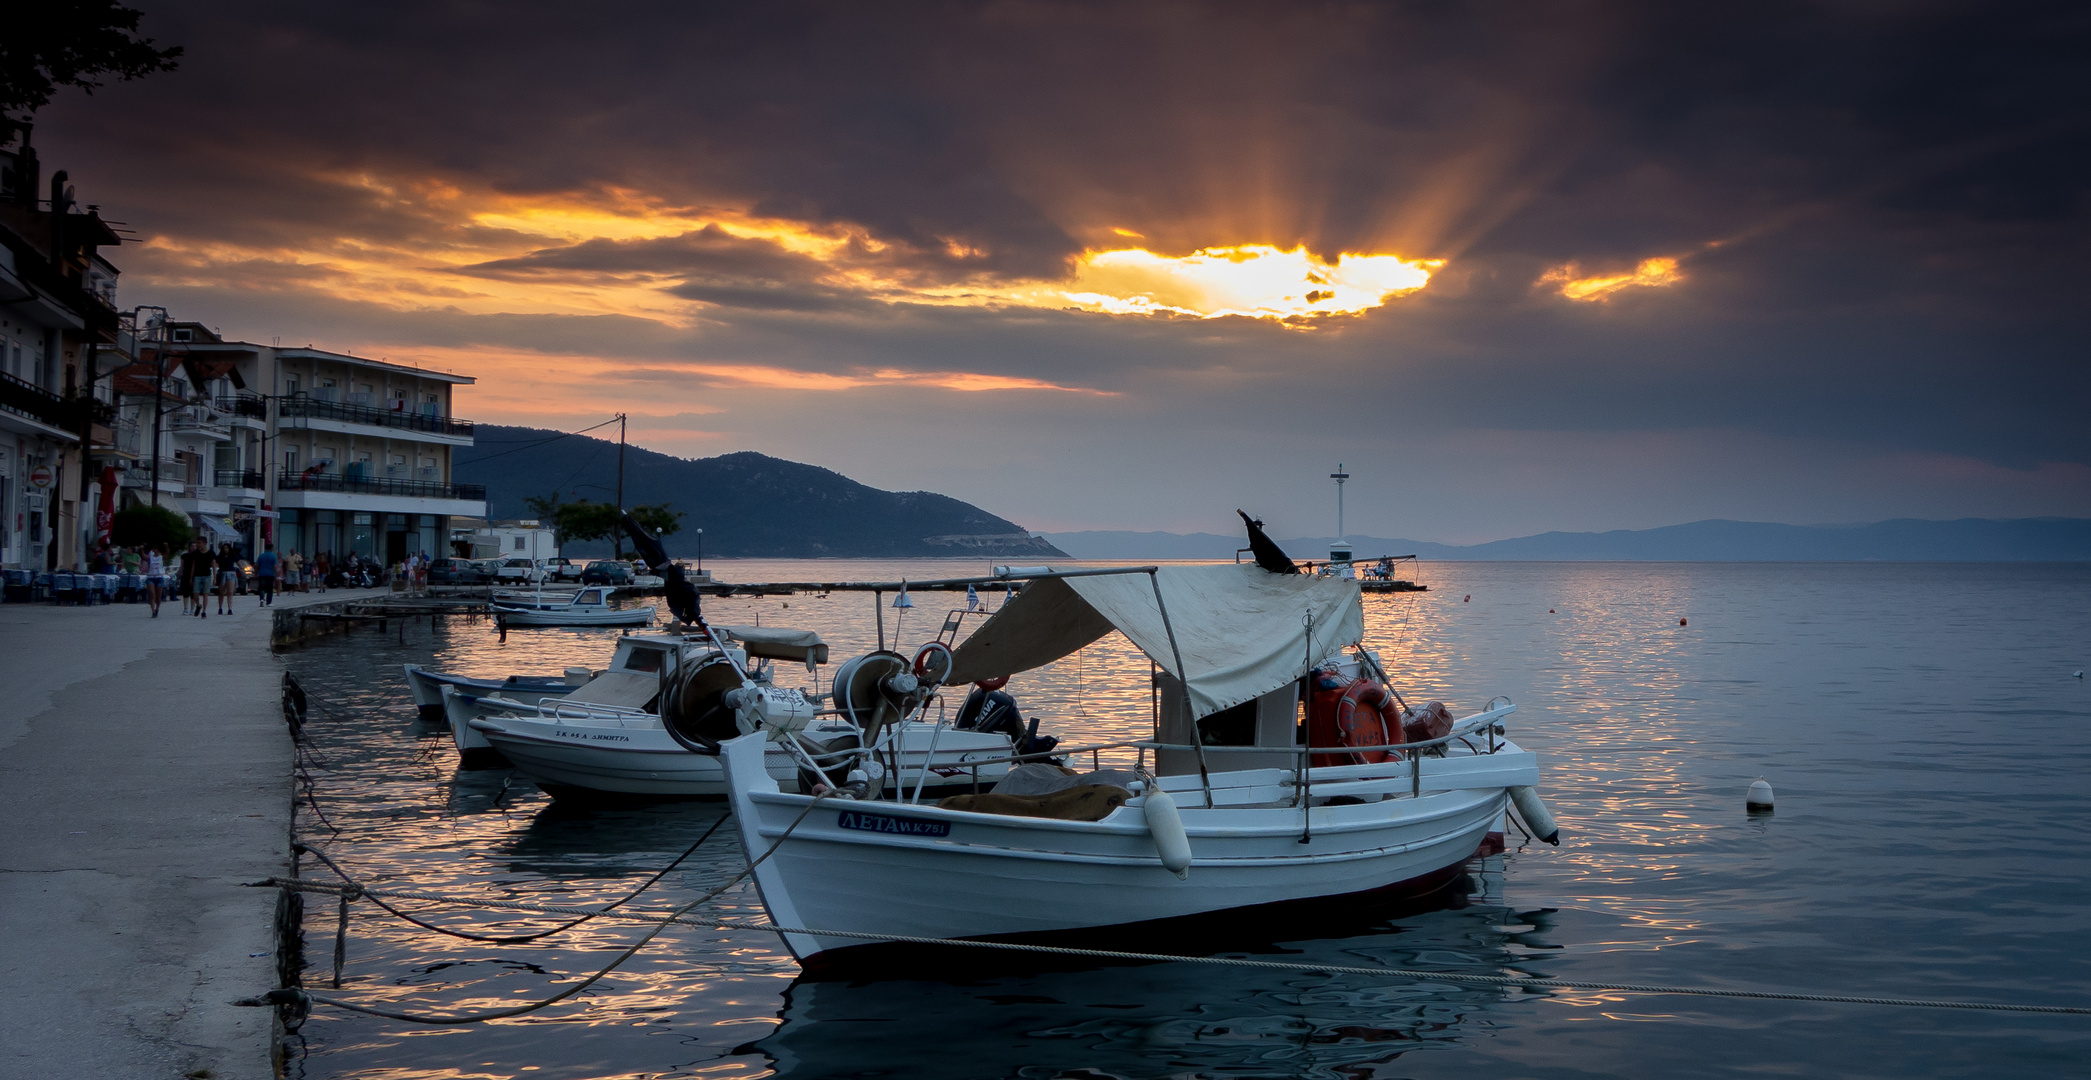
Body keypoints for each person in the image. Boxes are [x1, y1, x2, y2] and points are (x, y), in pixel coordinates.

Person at [215, 542, 238, 614]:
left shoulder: (232, 556)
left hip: (231, 573)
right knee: (221, 592)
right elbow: (215, 564)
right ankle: (220, 607)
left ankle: (230, 608)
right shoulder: (219, 557)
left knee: (230, 592)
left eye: (227, 548)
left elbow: (238, 563)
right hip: (222, 573)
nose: (226, 549)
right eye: (224, 548)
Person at [144, 544, 166, 617]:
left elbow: (167, 554)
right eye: (154, 549)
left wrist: (167, 546)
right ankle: (153, 610)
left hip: (159, 577)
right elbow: (144, 557)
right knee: (152, 594)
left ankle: (157, 608)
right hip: (151, 577)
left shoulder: (161, 557)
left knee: (158, 597)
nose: (155, 550)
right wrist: (141, 550)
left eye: (157, 549)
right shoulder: (150, 557)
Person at [254, 542, 278, 607]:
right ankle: (269, 602)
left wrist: (256, 573)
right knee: (270, 588)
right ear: (271, 548)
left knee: (262, 587)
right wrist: (276, 574)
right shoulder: (273, 556)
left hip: (262, 574)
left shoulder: (261, 556)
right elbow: (275, 566)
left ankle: (261, 599)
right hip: (270, 574)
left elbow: (256, 565)